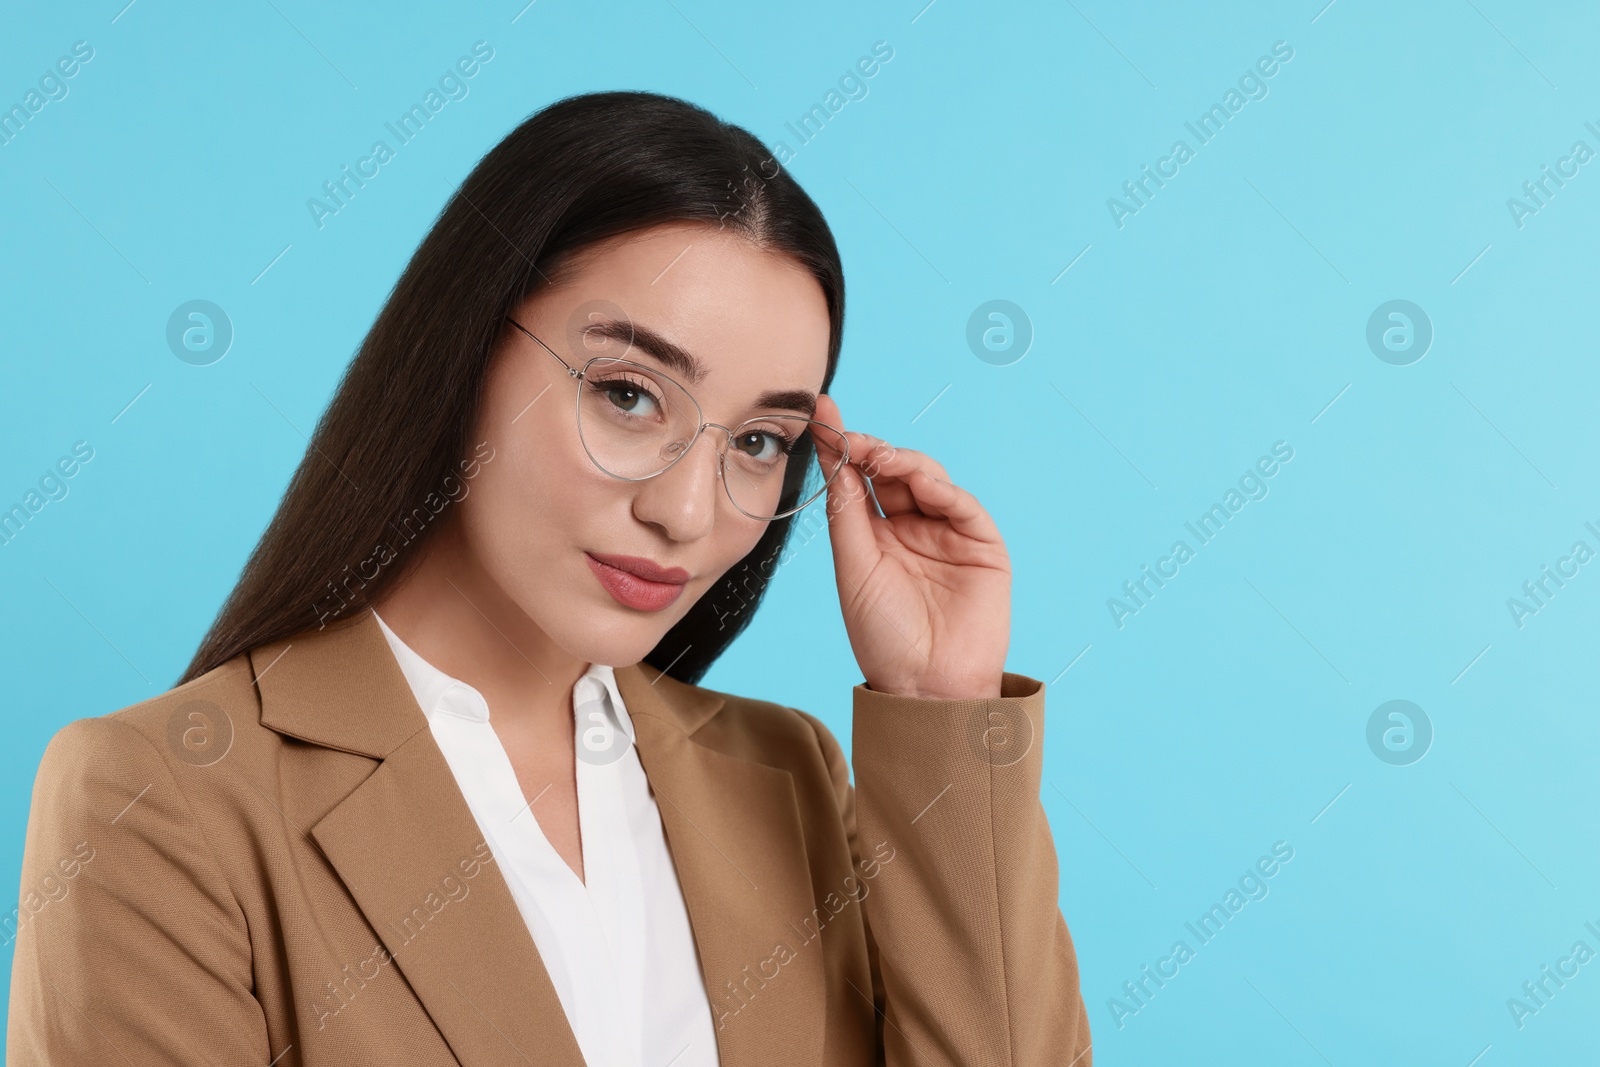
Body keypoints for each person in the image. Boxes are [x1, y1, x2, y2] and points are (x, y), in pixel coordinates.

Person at [6, 90, 1091, 1066]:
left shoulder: (787, 777)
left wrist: (942, 709)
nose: (686, 509)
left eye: (758, 442)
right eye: (628, 394)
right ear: (464, 349)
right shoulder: (165, 800)